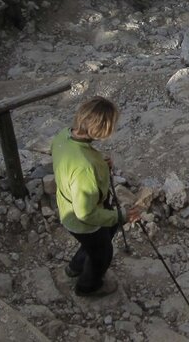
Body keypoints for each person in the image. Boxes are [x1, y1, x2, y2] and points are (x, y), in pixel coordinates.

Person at [50, 97, 141, 297]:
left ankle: (74, 267)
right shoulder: (85, 167)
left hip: (66, 208)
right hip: (83, 222)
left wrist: (99, 160)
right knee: (102, 253)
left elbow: (73, 158)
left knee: (94, 243)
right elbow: (86, 214)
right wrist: (121, 215)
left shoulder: (63, 136)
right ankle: (87, 287)